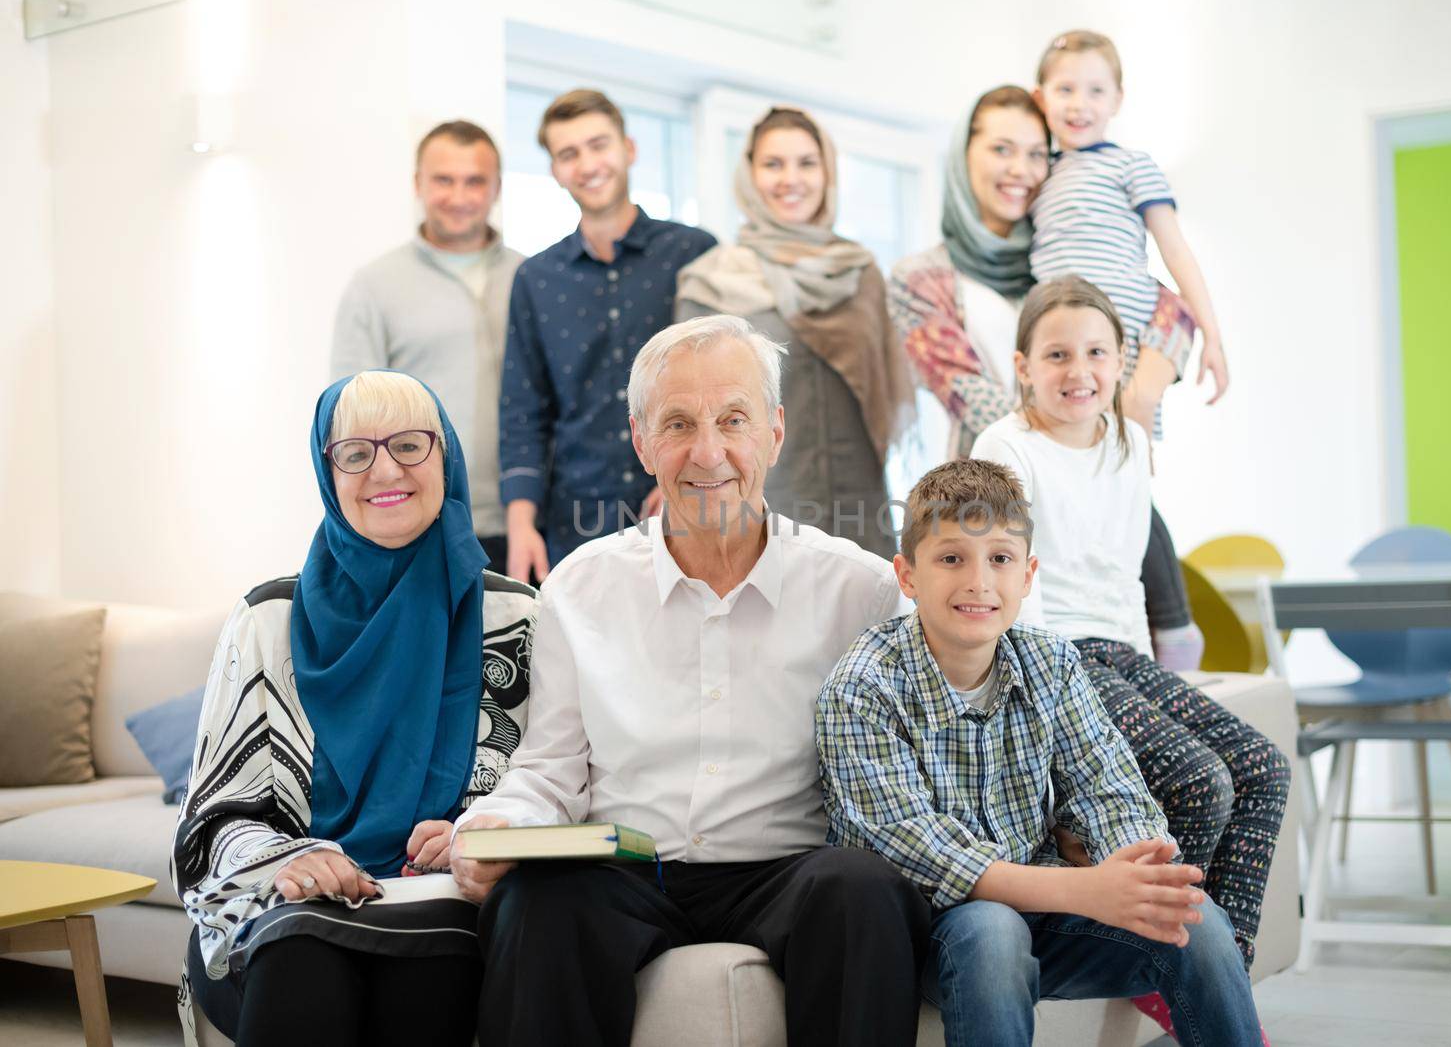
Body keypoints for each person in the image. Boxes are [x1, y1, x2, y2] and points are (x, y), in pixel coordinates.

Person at [454, 315, 931, 1047]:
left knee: (863, 892)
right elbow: (548, 769)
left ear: (774, 432)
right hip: (625, 867)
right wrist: (495, 825)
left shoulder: (858, 590)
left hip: (789, 868)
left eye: (733, 419)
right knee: (536, 904)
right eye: (678, 423)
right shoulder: (581, 586)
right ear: (643, 442)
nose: (709, 452)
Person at [816, 458, 1263, 1047]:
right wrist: (1087, 888)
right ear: (908, 575)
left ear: (1027, 576)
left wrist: (1135, 872)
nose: (979, 582)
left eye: (1000, 559)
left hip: (1048, 913)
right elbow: (923, 852)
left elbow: (1110, 787)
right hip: (930, 934)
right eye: (952, 558)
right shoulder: (864, 684)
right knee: (992, 930)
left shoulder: (1050, 661)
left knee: (1198, 922)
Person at [172, 370, 539, 1047]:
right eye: (355, 452)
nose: (384, 469)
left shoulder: (516, 615)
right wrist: (289, 858)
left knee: (429, 980)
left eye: (408, 444)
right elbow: (217, 812)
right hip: (291, 903)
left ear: (446, 456)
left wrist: (477, 834)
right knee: (298, 964)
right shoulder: (265, 619)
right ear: (327, 470)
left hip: (448, 903)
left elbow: (556, 780)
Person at [969, 278, 1289, 1033]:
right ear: (1022, 366)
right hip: (1053, 656)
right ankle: (1160, 951)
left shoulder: (1131, 443)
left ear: (1121, 363)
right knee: (1202, 781)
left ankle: (1216, 976)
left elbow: (1124, 578)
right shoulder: (1005, 446)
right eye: (1056, 355)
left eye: (1094, 353)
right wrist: (1057, 702)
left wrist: (1157, 682)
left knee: (1265, 770)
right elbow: (1010, 578)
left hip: (1121, 650)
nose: (1077, 370)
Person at [1030, 28, 1225, 669]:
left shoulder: (1129, 163)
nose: (1078, 102)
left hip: (1126, 349)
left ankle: (1172, 625)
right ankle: (1121, 624)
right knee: (1096, 491)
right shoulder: (1044, 173)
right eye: (1065, 89)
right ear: (1042, 96)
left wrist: (1213, 338)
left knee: (1127, 486)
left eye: (1094, 89)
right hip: (1069, 354)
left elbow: (1175, 250)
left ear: (1118, 98)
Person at [676, 106, 913, 559]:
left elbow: (884, 399)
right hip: (760, 507)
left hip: (859, 505)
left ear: (828, 173)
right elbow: (692, 414)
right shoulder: (712, 281)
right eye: (773, 164)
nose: (791, 179)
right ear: (749, 176)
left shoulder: (860, 272)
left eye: (807, 162)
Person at [500, 88, 717, 582]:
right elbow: (522, 410)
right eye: (568, 153)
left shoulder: (693, 254)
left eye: (599, 145)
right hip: (576, 525)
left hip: (689, 510)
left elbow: (727, 385)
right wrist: (521, 525)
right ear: (555, 170)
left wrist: (691, 474)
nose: (587, 164)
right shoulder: (536, 279)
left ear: (629, 149)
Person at [332, 121, 523, 572]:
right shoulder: (375, 286)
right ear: (418, 184)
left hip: (524, 524)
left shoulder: (532, 277)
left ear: (497, 188)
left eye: (475, 181)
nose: (459, 197)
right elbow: (349, 419)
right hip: (418, 524)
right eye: (444, 180)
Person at [889, 86, 1050, 459]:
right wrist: (1075, 437)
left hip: (1094, 485)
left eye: (1036, 154)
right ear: (963, 157)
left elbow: (1168, 313)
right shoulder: (920, 279)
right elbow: (972, 400)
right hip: (992, 496)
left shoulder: (1063, 260)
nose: (1020, 170)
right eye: (1001, 149)